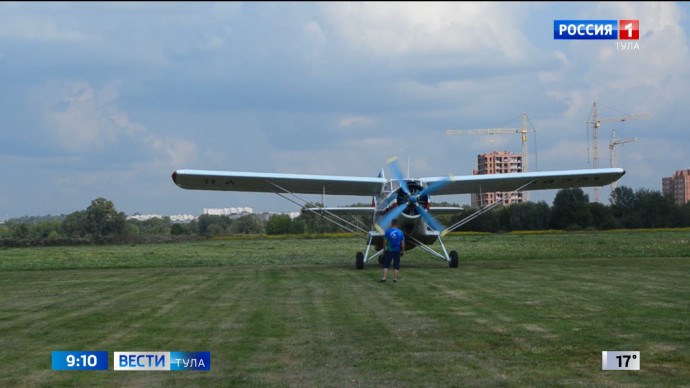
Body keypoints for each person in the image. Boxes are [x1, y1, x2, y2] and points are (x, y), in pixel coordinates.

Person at [381, 218, 405, 283]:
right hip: (397, 251)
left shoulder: (388, 231)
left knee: (386, 265)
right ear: (397, 224)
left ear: (391, 224)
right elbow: (402, 243)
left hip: (389, 250)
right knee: (396, 265)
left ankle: (384, 278)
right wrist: (403, 251)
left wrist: (384, 249)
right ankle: (395, 279)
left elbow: (385, 242)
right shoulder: (400, 232)